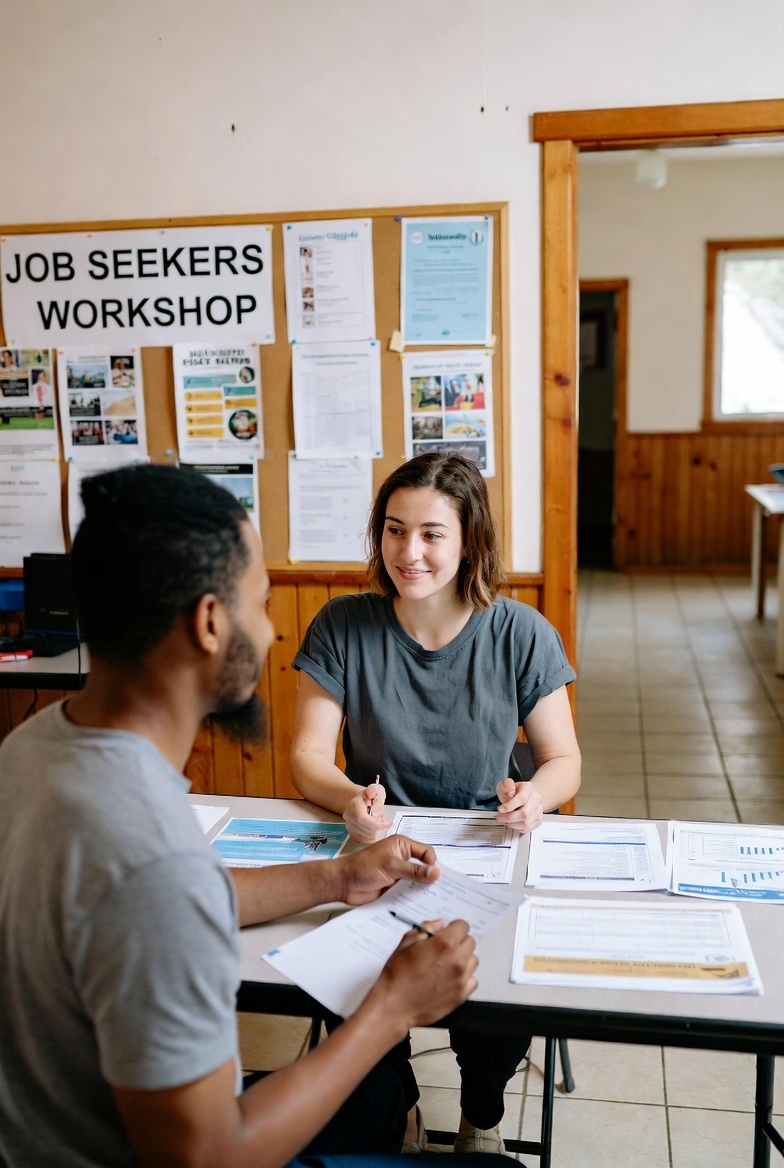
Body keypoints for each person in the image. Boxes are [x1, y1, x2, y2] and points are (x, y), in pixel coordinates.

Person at [0, 464, 513, 1168]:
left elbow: (172, 902)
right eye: (261, 604)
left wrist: (334, 878)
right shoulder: (149, 856)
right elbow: (210, 1157)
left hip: (42, 1127)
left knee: (378, 1102)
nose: (271, 633)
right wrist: (391, 1010)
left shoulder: (32, 747)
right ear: (211, 622)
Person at [290, 451, 581, 1155]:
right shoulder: (341, 624)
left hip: (483, 853)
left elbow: (563, 761)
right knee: (347, 982)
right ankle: (399, 1110)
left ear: (469, 539)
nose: (407, 552)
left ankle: (481, 1115)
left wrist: (533, 798)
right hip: (378, 858)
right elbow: (307, 759)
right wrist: (350, 797)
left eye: (430, 534)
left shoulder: (520, 632)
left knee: (501, 994)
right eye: (393, 531)